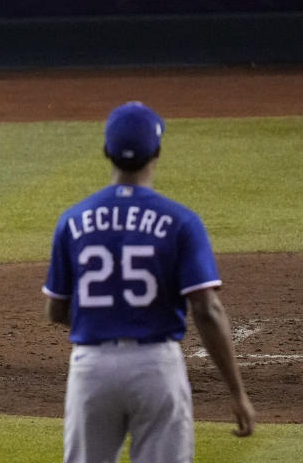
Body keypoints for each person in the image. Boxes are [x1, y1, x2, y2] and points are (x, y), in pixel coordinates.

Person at [42, 101, 254, 462]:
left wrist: (108, 318)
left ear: (106, 151)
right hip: (156, 366)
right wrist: (237, 392)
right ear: (156, 151)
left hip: (91, 368)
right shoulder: (181, 222)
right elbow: (206, 308)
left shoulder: (72, 221)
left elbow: (56, 310)